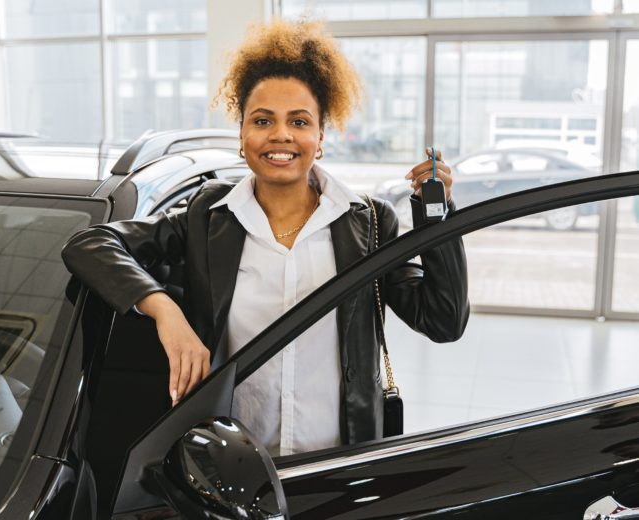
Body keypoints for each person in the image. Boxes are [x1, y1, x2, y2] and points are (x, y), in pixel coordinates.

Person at [62, 19, 469, 456]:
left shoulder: (368, 222)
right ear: (242, 135)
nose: (280, 135)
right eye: (262, 120)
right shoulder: (207, 217)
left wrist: (437, 216)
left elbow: (443, 320)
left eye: (298, 121)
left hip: (334, 465)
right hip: (232, 467)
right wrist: (165, 312)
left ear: (320, 136)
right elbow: (91, 245)